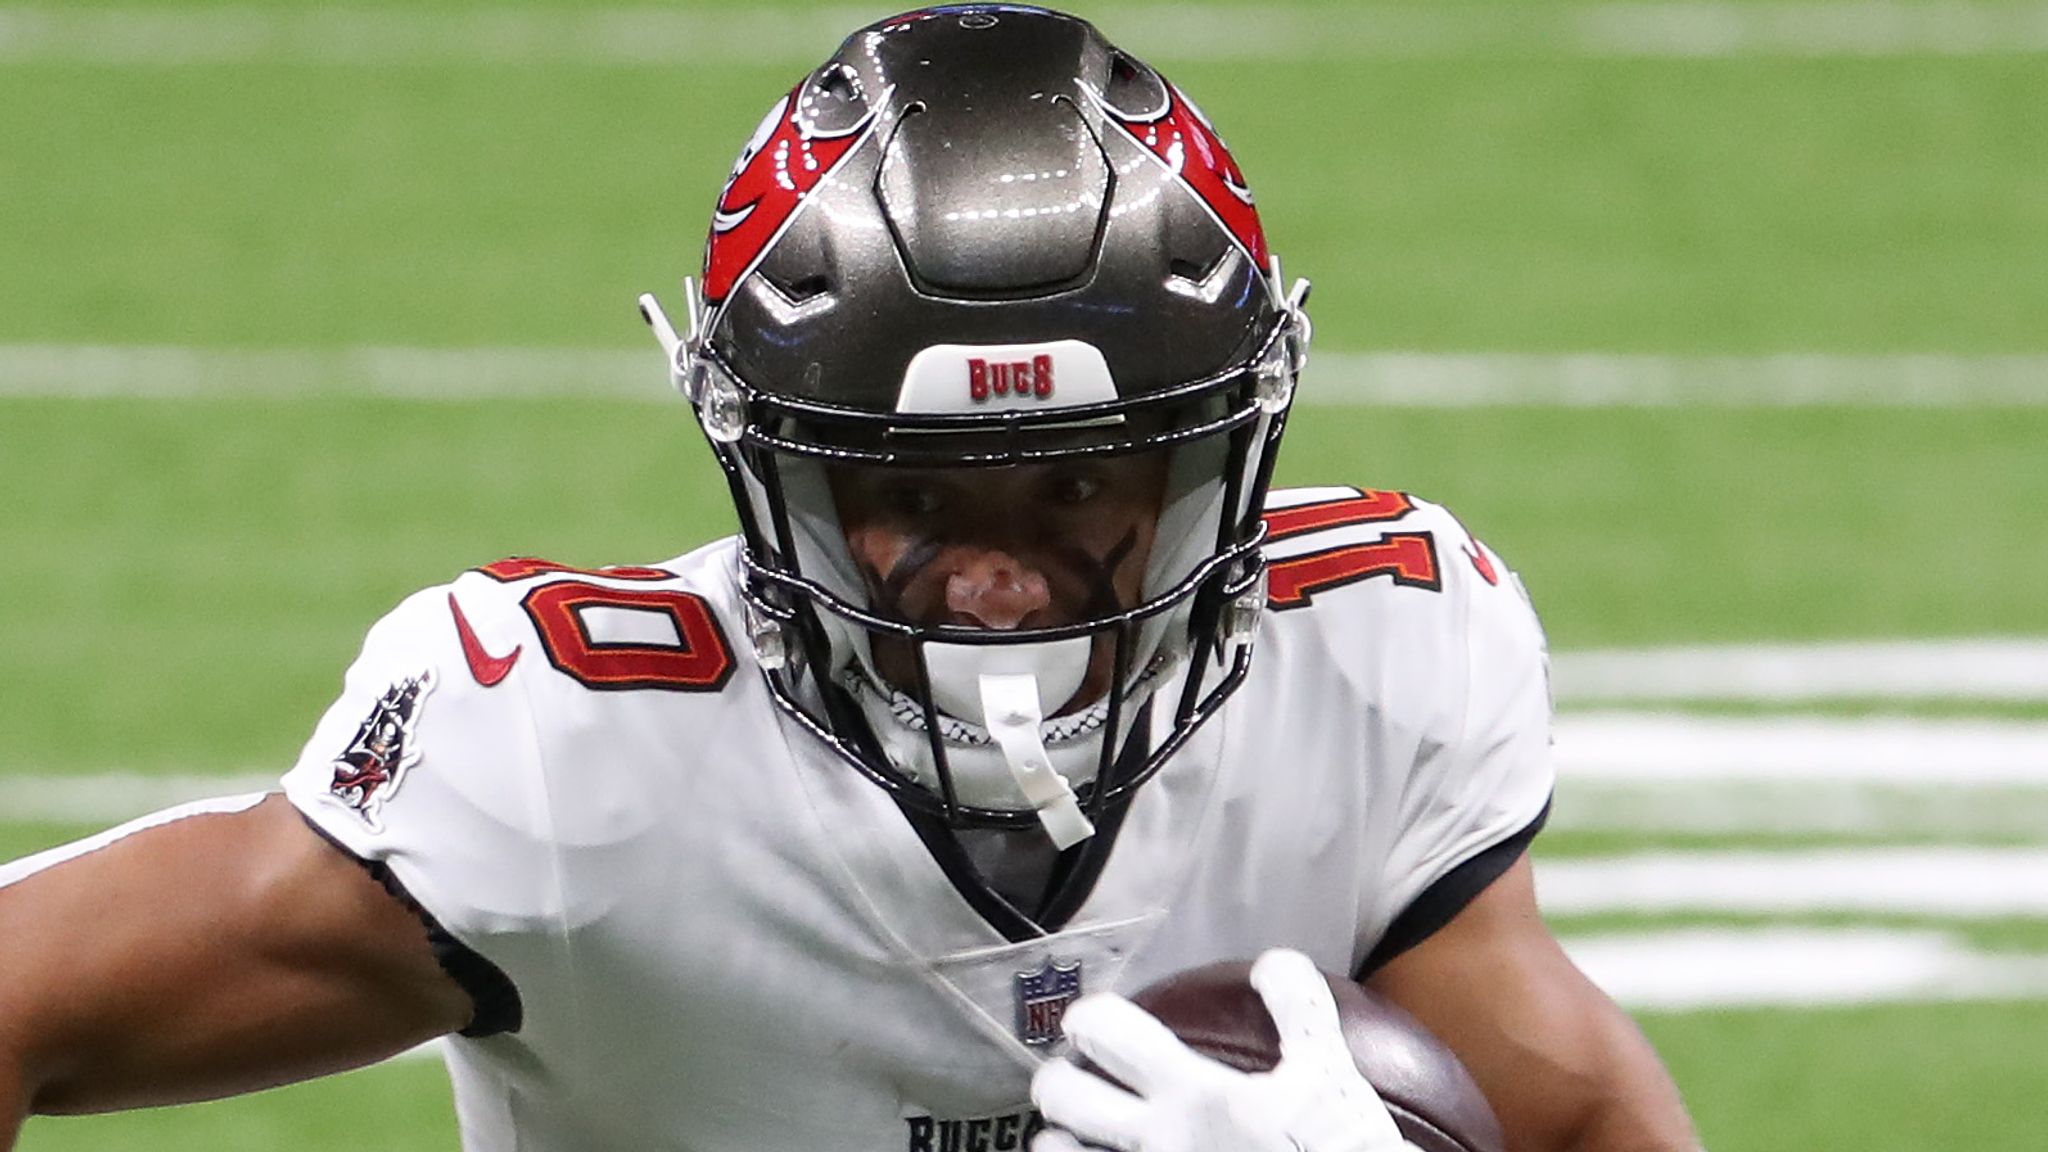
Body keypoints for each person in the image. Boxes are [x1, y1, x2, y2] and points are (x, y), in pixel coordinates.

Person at [0, 7, 1699, 1152]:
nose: (1003, 588)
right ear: (774, 474)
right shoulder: (568, 762)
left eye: (1081, 487)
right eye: (910, 496)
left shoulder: (1376, 661)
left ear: (1213, 465)